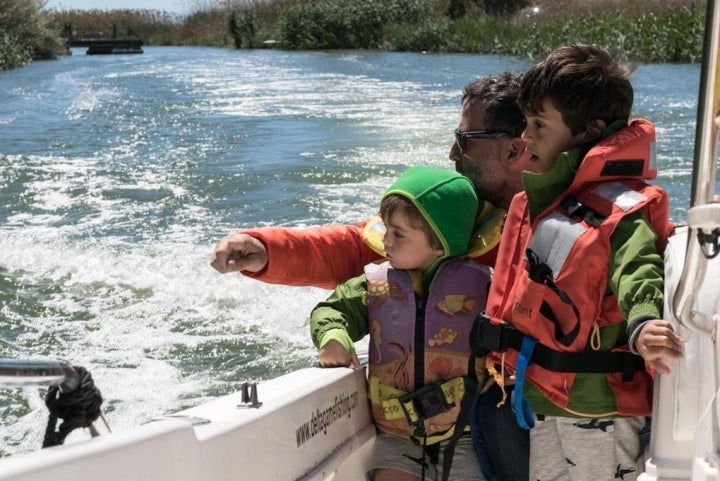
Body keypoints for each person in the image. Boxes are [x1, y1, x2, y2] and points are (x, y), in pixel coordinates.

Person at [210, 73, 534, 481]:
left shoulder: (561, 225)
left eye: (466, 140)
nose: (452, 151)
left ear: (514, 148)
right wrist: (266, 250)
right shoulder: (443, 213)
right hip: (412, 433)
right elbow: (356, 247)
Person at [471, 44, 684, 481]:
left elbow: (638, 268)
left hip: (597, 404)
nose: (526, 137)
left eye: (539, 125)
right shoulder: (550, 202)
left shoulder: (621, 208)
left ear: (590, 129)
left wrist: (643, 324)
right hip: (544, 398)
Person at [312, 165, 487, 481]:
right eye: (386, 230)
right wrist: (333, 335)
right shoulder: (374, 285)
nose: (385, 241)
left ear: (439, 242)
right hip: (396, 435)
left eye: (398, 234)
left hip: (465, 432)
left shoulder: (485, 289)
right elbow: (331, 311)